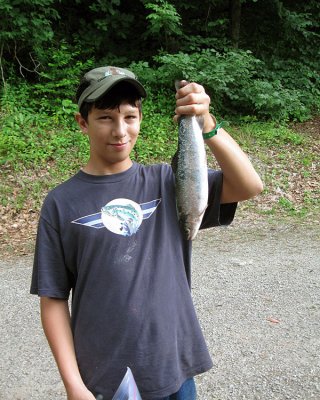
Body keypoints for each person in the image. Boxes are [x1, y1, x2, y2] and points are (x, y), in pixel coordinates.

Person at [30, 66, 263, 400]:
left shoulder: (169, 182)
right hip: (105, 378)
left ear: (140, 118)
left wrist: (206, 123)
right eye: (105, 118)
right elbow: (52, 299)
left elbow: (249, 185)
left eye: (129, 116)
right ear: (83, 123)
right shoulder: (61, 203)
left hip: (173, 367)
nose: (119, 130)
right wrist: (73, 385)